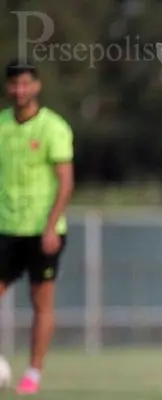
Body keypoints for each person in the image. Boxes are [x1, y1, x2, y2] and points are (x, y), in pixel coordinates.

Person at [0, 60, 74, 395]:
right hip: (6, 227)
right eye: (14, 84)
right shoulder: (2, 126)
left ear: (36, 86)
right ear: (8, 88)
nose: (20, 90)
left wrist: (50, 227)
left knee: (40, 301)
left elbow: (65, 182)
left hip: (42, 230)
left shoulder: (53, 128)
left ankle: (33, 372)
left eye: (25, 84)